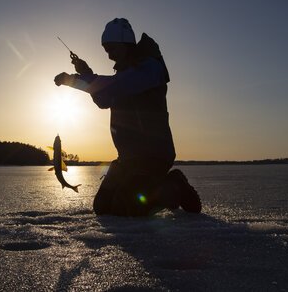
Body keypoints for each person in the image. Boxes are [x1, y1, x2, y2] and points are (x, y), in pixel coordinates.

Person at [54, 18, 201, 216]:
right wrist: (86, 73)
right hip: (128, 158)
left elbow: (113, 87)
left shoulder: (149, 68)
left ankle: (174, 186)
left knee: (128, 207)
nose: (109, 56)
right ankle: (145, 186)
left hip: (153, 155)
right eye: (107, 51)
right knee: (103, 207)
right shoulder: (124, 73)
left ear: (126, 43)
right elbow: (103, 100)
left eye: (112, 49)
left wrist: (74, 80)